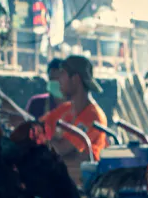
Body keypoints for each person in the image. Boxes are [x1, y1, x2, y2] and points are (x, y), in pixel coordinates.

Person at [42, 55, 108, 183]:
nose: (58, 80)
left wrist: (48, 138)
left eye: (62, 75)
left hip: (80, 186)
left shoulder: (94, 117)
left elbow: (61, 149)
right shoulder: (65, 109)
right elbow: (39, 126)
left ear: (76, 79)